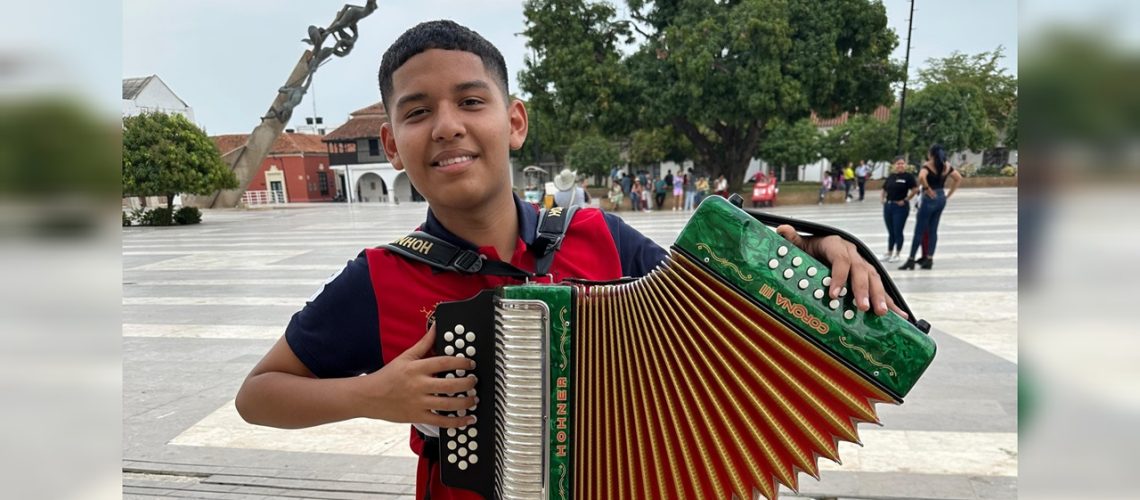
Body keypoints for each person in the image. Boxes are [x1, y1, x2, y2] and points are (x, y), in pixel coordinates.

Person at [233, 19, 904, 500]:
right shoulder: (380, 278)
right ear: (391, 144)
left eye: (471, 101)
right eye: (417, 113)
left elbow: (713, 303)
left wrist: (820, 248)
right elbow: (257, 396)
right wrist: (372, 395)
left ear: (514, 121)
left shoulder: (596, 235)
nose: (447, 125)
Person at [899, 144, 963, 270]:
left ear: (931, 154)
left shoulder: (928, 165)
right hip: (940, 196)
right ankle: (929, 259)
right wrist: (948, 194)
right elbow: (958, 178)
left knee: (919, 229)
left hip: (930, 198)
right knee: (933, 229)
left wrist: (927, 188)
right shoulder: (947, 165)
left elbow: (922, 177)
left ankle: (911, 259)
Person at [880, 156, 919, 262]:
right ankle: (889, 252)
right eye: (898, 163)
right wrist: (882, 199)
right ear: (894, 165)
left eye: (902, 163)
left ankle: (897, 253)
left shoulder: (908, 177)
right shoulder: (891, 177)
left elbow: (915, 189)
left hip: (900, 208)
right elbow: (884, 189)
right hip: (888, 206)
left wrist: (906, 199)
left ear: (905, 165)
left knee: (898, 230)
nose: (900, 165)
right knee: (891, 231)